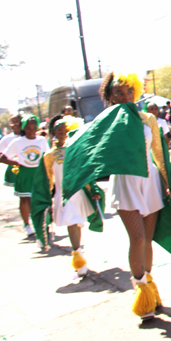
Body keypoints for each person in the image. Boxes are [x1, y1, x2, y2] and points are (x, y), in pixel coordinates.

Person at [99, 72, 171, 319]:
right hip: (124, 183)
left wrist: (166, 181)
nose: (124, 96)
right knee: (138, 239)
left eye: (129, 91)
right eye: (118, 93)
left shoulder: (147, 119)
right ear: (110, 96)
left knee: (148, 240)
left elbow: (158, 153)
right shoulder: (105, 122)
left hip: (149, 182)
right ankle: (140, 293)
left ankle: (150, 290)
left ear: (136, 91)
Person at [41, 115, 101, 274]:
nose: (63, 134)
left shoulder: (75, 150)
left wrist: (93, 189)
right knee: (72, 224)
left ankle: (78, 252)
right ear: (54, 133)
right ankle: (78, 256)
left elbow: (85, 171)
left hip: (77, 193)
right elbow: (48, 179)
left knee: (77, 224)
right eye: (59, 131)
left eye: (66, 131)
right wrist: (46, 199)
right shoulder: (49, 155)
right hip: (63, 196)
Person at [0, 114, 48, 235]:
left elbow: (47, 157)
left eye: (34, 128)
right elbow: (1, 157)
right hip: (24, 173)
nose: (31, 131)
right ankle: (26, 224)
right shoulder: (17, 142)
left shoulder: (41, 140)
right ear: (24, 128)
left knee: (39, 199)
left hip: (38, 173)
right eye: (28, 128)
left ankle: (41, 223)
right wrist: (16, 163)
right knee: (25, 200)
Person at [0, 115, 23, 192]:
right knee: (21, 193)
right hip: (15, 169)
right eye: (12, 122)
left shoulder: (28, 136)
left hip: (29, 168)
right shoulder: (7, 138)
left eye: (17, 122)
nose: (15, 124)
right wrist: (10, 161)